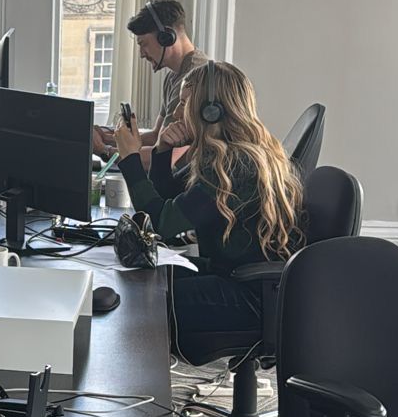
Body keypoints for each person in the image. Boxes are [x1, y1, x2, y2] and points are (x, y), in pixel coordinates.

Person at [112, 60, 304, 361]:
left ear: (210, 111)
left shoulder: (235, 164)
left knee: (141, 301)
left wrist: (130, 159)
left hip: (250, 295)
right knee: (139, 281)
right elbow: (169, 202)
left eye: (185, 104)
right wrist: (162, 151)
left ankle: (141, 401)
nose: (176, 114)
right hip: (233, 277)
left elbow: (161, 223)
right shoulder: (228, 151)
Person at [94, 0, 206, 156]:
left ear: (166, 37)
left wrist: (105, 151)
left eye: (143, 44)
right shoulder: (173, 76)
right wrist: (109, 138)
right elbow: (156, 136)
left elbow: (162, 153)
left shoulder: (193, 77)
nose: (141, 54)